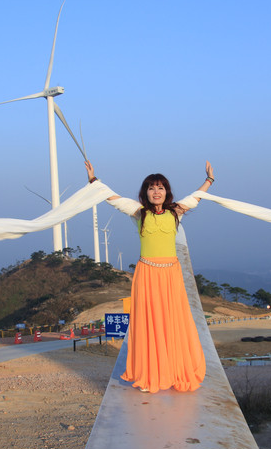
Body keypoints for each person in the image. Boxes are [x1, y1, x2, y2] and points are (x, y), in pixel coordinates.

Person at [85, 160, 214, 393]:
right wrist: (94, 180)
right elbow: (112, 198)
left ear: (167, 192)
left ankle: (175, 371)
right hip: (147, 274)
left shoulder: (176, 212)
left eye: (160, 187)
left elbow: (196, 198)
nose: (156, 192)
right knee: (148, 323)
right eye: (152, 188)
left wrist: (209, 180)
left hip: (171, 275)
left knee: (173, 322)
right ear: (146, 192)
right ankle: (150, 373)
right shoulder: (139, 212)